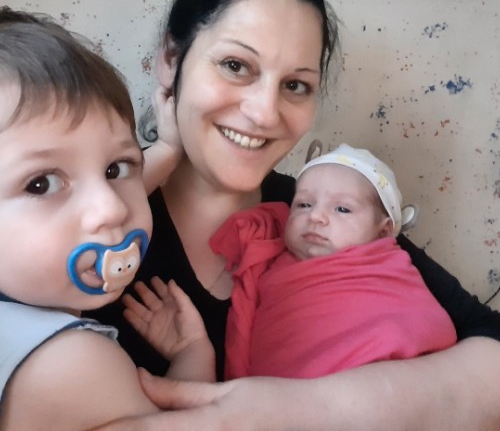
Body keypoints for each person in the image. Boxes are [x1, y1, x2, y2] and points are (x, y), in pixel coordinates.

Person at [90, 0, 500, 429]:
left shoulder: (320, 210)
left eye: (295, 85)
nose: (266, 113)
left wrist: (310, 409)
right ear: (171, 60)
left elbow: (490, 345)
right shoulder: (92, 215)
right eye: (236, 65)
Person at [0, 6, 210, 430]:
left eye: (115, 169)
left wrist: (168, 151)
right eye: (41, 184)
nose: (112, 208)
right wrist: (194, 353)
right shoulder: (73, 365)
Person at [125, 143, 457, 380]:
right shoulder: (269, 258)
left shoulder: (386, 270)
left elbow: (417, 328)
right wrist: (193, 351)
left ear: (383, 232)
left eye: (342, 209)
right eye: (303, 205)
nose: (317, 217)